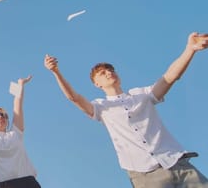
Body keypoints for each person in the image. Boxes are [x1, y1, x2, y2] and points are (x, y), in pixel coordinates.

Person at [43, 32, 208, 188]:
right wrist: (56, 72)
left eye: (111, 70)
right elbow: (74, 98)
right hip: (145, 174)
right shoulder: (100, 107)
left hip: (176, 162)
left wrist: (190, 49)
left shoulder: (141, 95)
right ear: (97, 84)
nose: (108, 72)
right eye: (102, 73)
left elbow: (170, 77)